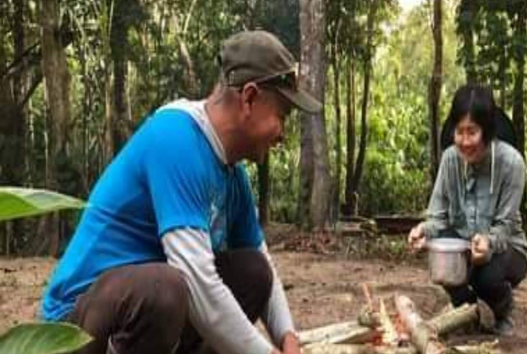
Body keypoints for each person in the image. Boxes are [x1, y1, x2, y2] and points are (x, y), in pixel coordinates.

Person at [41, 30, 322, 354]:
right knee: (166, 289)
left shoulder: (232, 171)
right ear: (249, 98)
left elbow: (264, 264)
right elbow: (198, 282)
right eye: (282, 116)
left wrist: (288, 338)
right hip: (72, 331)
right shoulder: (176, 138)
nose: (282, 134)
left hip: (143, 317)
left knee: (254, 272)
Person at [407, 84, 527, 337]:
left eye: (471, 132)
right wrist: (423, 231)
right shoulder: (450, 159)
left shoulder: (512, 163)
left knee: (487, 276)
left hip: (507, 250)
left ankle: (502, 309)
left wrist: (487, 243)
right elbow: (438, 218)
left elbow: (505, 228)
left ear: (487, 131)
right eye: (458, 132)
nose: (464, 141)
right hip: (463, 248)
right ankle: (468, 313)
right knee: (441, 263)